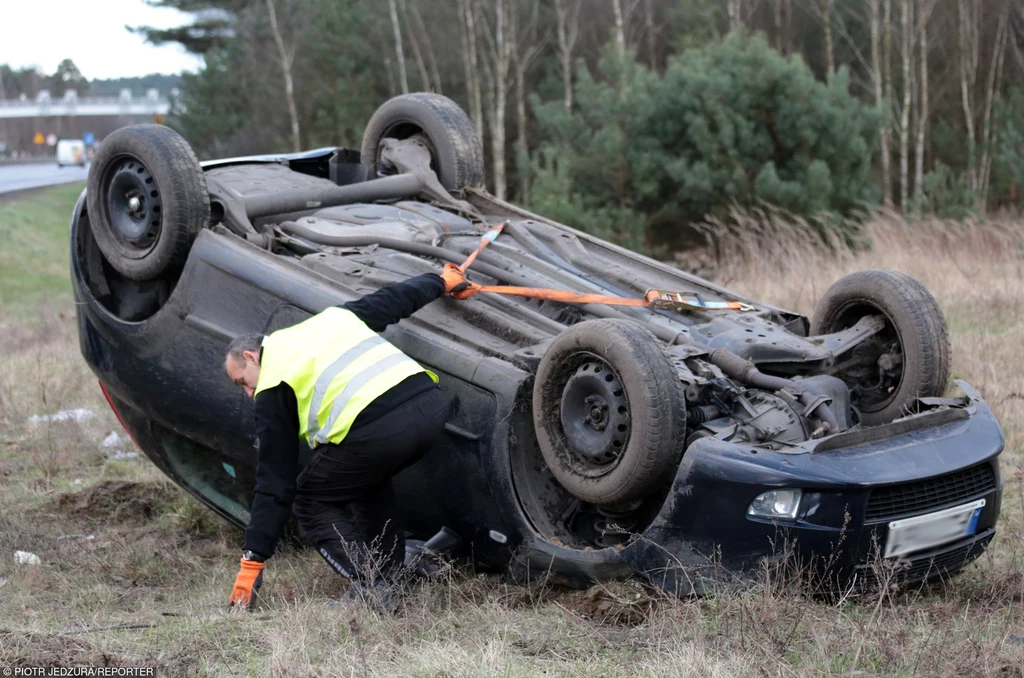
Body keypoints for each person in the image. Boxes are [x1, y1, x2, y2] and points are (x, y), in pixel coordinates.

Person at [223, 264, 480, 611]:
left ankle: (371, 584)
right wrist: (440, 281)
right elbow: (394, 300)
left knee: (311, 500)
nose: (248, 393)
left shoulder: (272, 383)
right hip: (429, 408)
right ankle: (389, 576)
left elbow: (274, 482)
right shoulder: (330, 321)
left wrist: (253, 560)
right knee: (362, 482)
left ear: (251, 357)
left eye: (243, 381)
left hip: (382, 428)